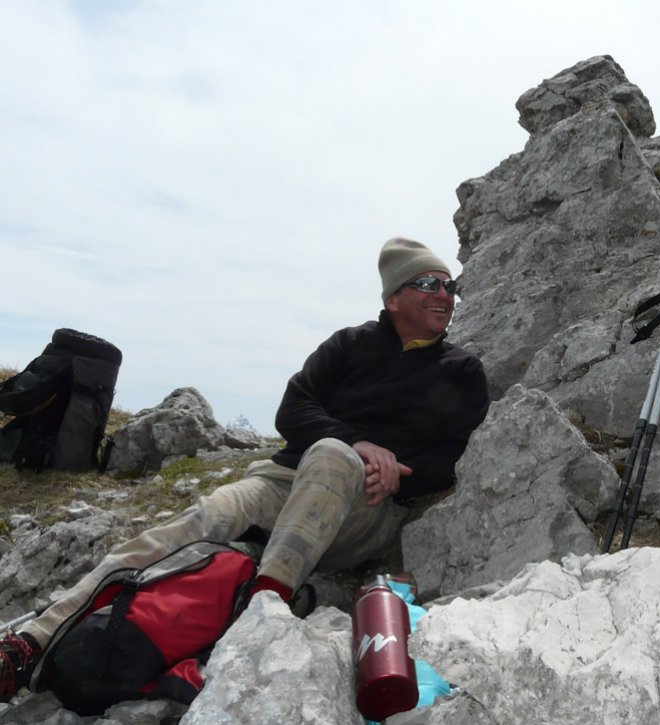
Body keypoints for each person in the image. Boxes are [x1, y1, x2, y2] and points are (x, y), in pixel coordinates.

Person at [0, 237, 490, 702]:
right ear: (393, 298)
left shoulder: (461, 371)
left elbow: (457, 453)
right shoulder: (349, 344)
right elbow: (293, 409)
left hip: (366, 506)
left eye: (449, 286)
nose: (444, 295)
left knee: (333, 455)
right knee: (203, 518)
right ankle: (29, 643)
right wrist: (357, 441)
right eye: (428, 283)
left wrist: (400, 473)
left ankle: (258, 620)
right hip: (285, 481)